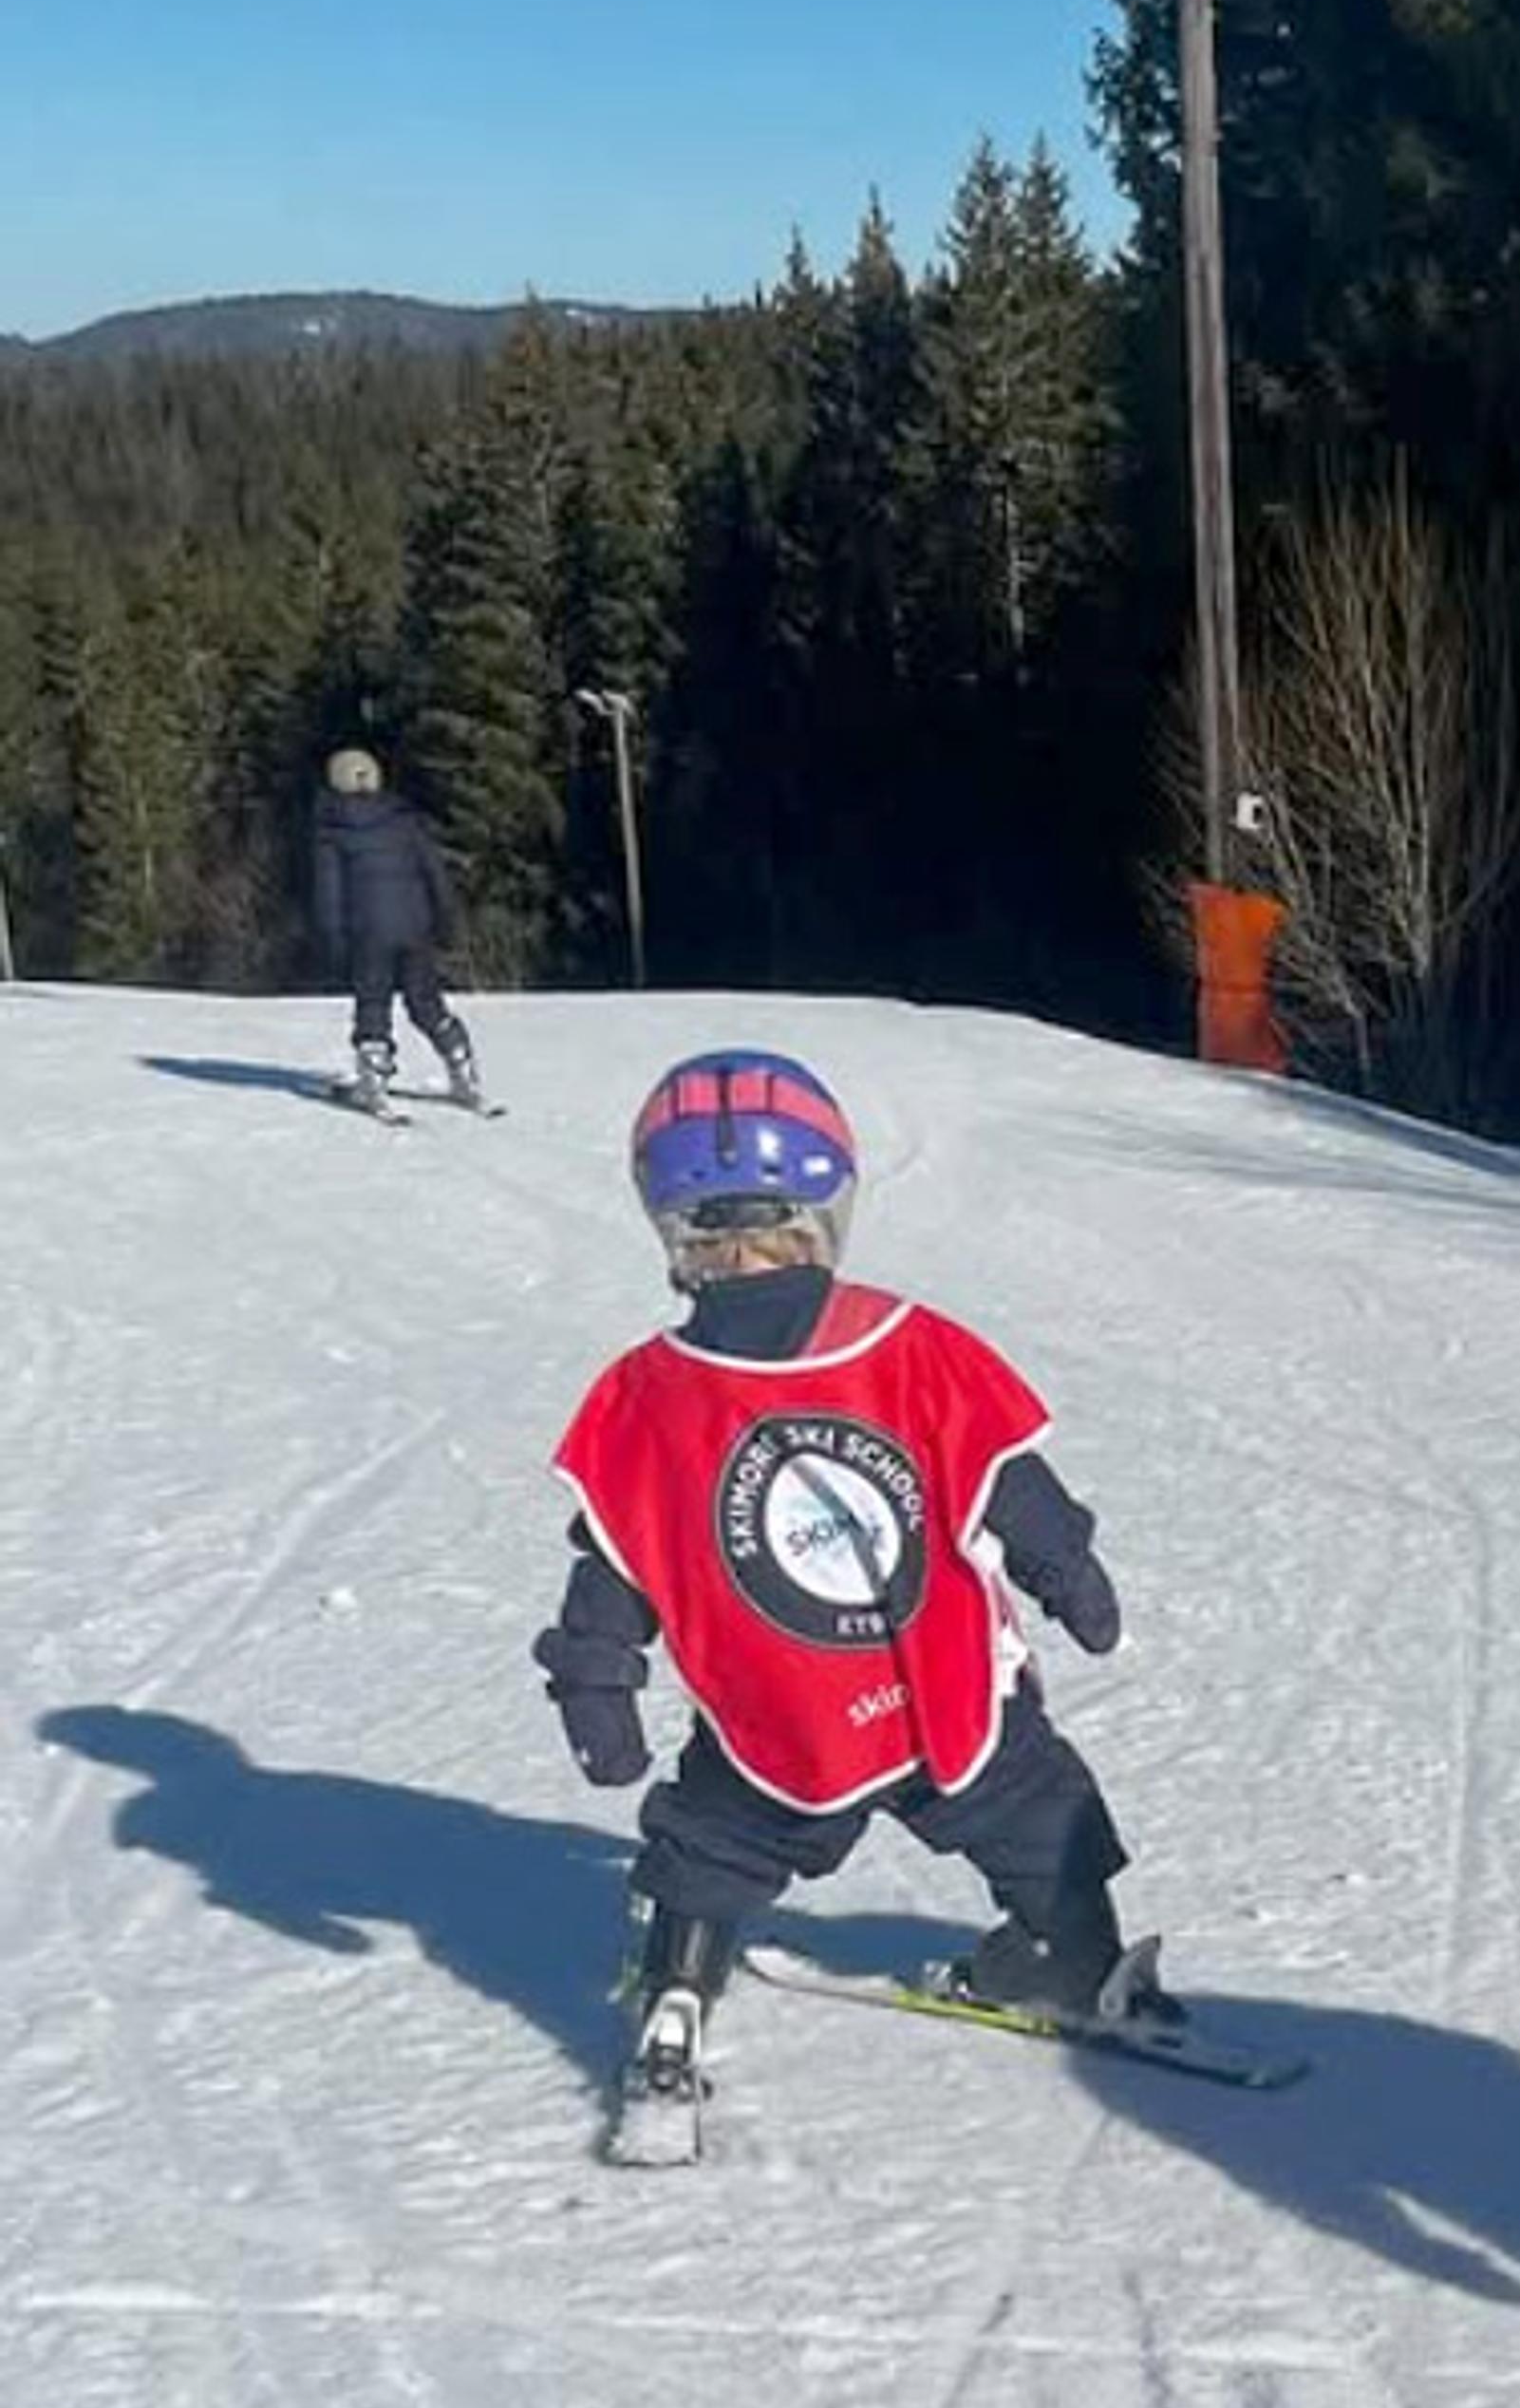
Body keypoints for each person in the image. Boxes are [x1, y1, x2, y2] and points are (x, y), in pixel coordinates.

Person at [533, 1049, 1159, 2117]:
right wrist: (1072, 1576)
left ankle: (675, 1996)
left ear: (669, 1225)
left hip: (782, 1719)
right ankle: (1075, 1956)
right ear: (829, 1204)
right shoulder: (911, 1348)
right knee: (1030, 1802)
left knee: (713, 1839)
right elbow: (1011, 1481)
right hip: (941, 1695)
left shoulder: (645, 1397)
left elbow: (616, 1565)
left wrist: (598, 1689)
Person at [310, 747, 479, 1112]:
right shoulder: (405, 821)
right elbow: (436, 875)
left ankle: (373, 1077)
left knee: (373, 1002)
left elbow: (329, 894)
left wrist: (333, 942)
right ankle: (460, 1063)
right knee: (426, 1000)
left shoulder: (332, 831)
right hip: (416, 926)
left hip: (368, 931)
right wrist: (447, 922)